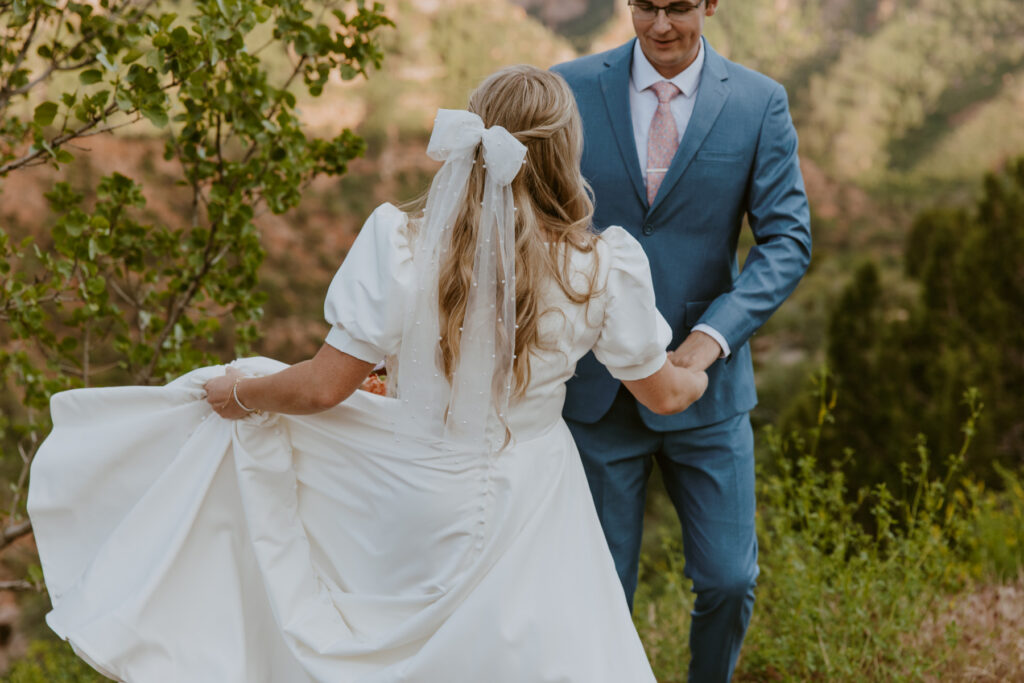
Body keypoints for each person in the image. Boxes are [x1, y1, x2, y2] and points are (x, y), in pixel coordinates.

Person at [27, 65, 709, 682]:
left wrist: (238, 392)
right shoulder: (599, 268)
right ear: (563, 150)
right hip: (533, 496)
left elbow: (322, 388)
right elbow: (665, 394)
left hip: (409, 492)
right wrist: (705, 359)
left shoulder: (402, 243)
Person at [552, 1, 812, 680]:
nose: (660, 24)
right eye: (645, 5)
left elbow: (786, 241)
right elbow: (531, 220)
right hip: (595, 391)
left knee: (729, 579)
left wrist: (711, 338)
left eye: (678, 6)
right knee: (599, 589)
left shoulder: (759, 102)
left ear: (711, 3)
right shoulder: (568, 87)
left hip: (708, 391)